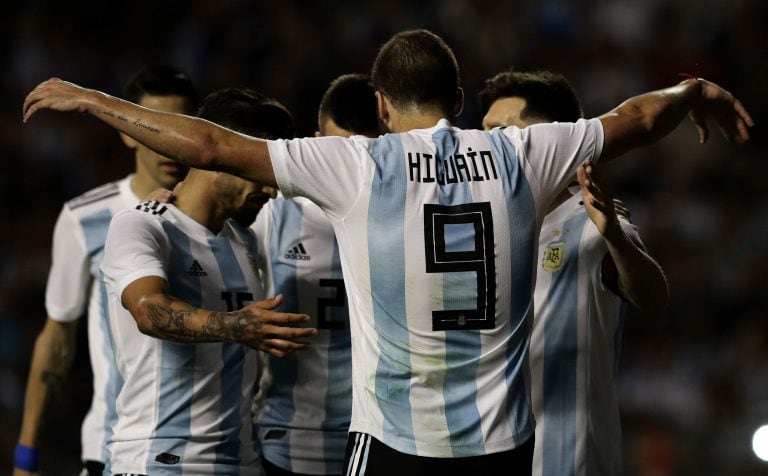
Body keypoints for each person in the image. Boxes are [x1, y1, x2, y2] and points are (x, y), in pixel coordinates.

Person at [22, 29, 752, 475]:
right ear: (460, 97)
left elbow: (210, 144)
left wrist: (95, 101)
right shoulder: (524, 152)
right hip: (501, 449)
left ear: (378, 105)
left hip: (398, 443)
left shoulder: (359, 166)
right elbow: (637, 117)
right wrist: (695, 89)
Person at [99, 87, 314, 476]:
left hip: (242, 460)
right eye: (257, 171)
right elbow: (150, 312)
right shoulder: (143, 225)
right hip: (161, 460)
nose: (270, 189)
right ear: (216, 158)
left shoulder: (245, 240)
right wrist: (236, 325)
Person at [479, 69, 670, 475]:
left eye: (500, 133)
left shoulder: (591, 224)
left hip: (570, 460)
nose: (485, 148)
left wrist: (615, 238)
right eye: (483, 134)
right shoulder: (481, 230)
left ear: (551, 143)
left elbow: (653, 300)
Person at [13, 64, 198, 476]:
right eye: (153, 126)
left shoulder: (228, 217)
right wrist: (26, 452)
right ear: (127, 130)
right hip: (113, 446)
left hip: (214, 448)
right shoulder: (86, 218)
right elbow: (58, 337)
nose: (167, 145)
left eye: (176, 128)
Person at [253, 73, 380, 476]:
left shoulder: (406, 214)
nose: (346, 169)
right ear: (313, 143)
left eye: (361, 153)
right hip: (287, 438)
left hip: (378, 439)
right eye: (336, 153)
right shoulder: (273, 213)